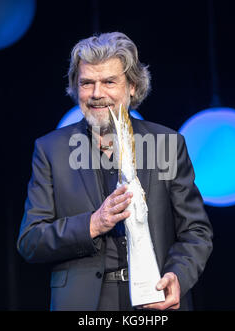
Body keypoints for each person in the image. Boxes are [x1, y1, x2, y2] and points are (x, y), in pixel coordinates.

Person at [17, 32, 213, 311]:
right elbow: (30, 241)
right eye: (87, 83)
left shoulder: (168, 144)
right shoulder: (50, 149)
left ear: (132, 86)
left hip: (156, 301)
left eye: (109, 81)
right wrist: (93, 223)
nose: (97, 94)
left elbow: (196, 231)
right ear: (76, 88)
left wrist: (177, 276)